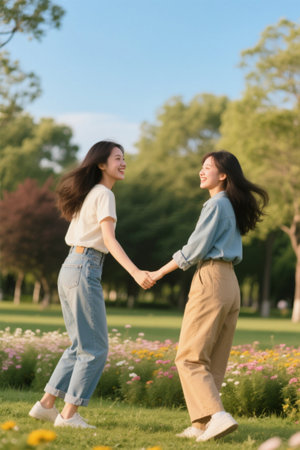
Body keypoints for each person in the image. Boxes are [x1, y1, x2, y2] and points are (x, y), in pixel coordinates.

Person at [29, 141, 155, 428]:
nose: (123, 163)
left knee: (79, 345)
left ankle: (47, 405)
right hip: (85, 267)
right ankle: (69, 415)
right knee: (95, 348)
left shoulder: (89, 194)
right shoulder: (104, 195)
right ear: (101, 164)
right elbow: (109, 240)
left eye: (125, 158)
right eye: (118, 158)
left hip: (71, 266)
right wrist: (135, 272)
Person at [150, 150, 268, 442]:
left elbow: (194, 249)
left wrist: (157, 273)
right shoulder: (231, 204)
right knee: (213, 359)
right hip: (230, 283)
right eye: (201, 167)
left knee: (189, 358)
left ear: (223, 175)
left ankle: (217, 415)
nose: (201, 172)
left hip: (212, 278)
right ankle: (202, 424)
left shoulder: (215, 205)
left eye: (207, 168)